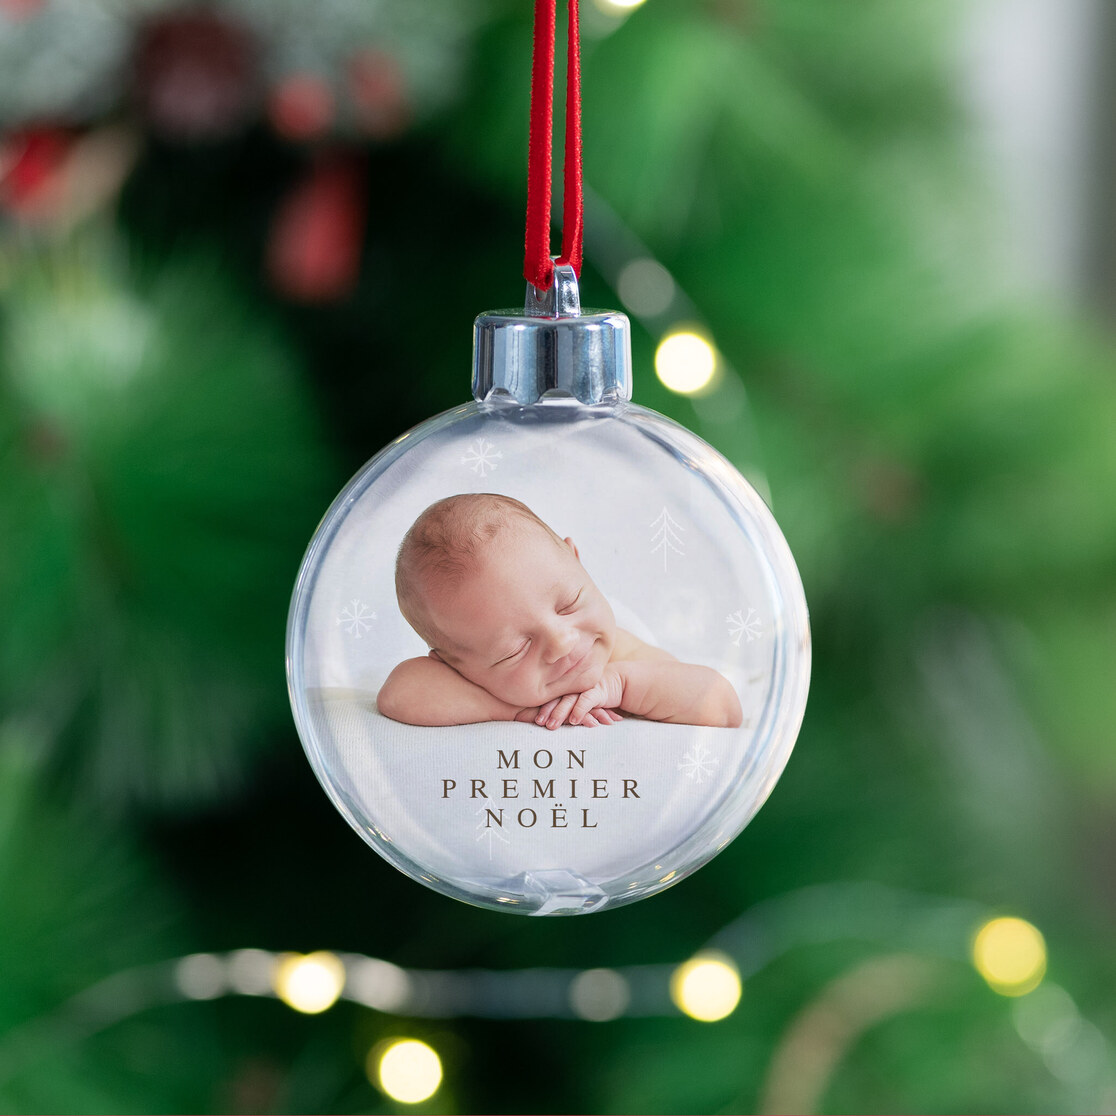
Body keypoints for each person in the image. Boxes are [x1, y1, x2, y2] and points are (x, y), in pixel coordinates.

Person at [377, 493, 743, 730]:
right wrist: (516, 710)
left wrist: (618, 684)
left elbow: (722, 707)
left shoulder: (624, 654)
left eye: (569, 603)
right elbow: (397, 694)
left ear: (577, 561)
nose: (562, 642)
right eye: (514, 650)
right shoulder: (479, 683)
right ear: (454, 664)